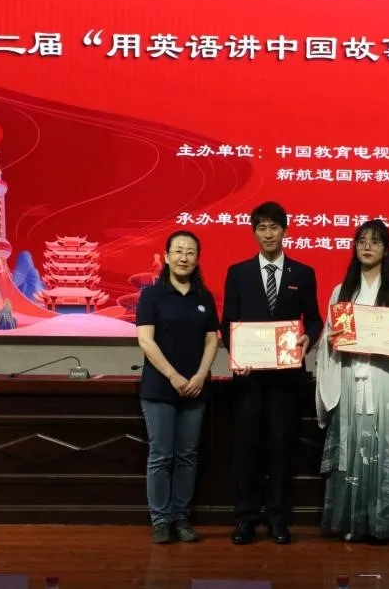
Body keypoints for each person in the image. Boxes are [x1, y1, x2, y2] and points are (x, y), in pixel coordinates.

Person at [220, 201, 323, 545]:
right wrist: (238, 353)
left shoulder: (303, 273)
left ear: (285, 231)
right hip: (248, 379)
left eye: (274, 227)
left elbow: (315, 319)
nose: (268, 234)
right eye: (262, 228)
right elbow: (227, 323)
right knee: (247, 450)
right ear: (254, 233)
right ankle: (246, 519)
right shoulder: (238, 273)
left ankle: (279, 519)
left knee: (282, 449)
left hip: (286, 380)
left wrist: (309, 338)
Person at [316, 220, 389, 542]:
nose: (367, 247)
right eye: (361, 241)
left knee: (385, 448)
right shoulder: (342, 290)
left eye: (375, 242)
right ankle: (352, 523)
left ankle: (385, 525)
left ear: (386, 249)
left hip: (386, 378)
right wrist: (329, 340)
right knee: (351, 447)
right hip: (351, 376)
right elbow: (328, 336)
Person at [136, 230, 220, 544]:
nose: (184, 257)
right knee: (161, 455)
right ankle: (161, 520)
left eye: (190, 252)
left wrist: (200, 376)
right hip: (160, 388)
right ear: (167, 256)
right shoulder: (152, 295)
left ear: (197, 259)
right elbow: (146, 341)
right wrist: (173, 375)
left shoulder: (204, 297)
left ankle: (182, 518)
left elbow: (212, 340)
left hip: (195, 389)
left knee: (187, 456)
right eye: (178, 251)